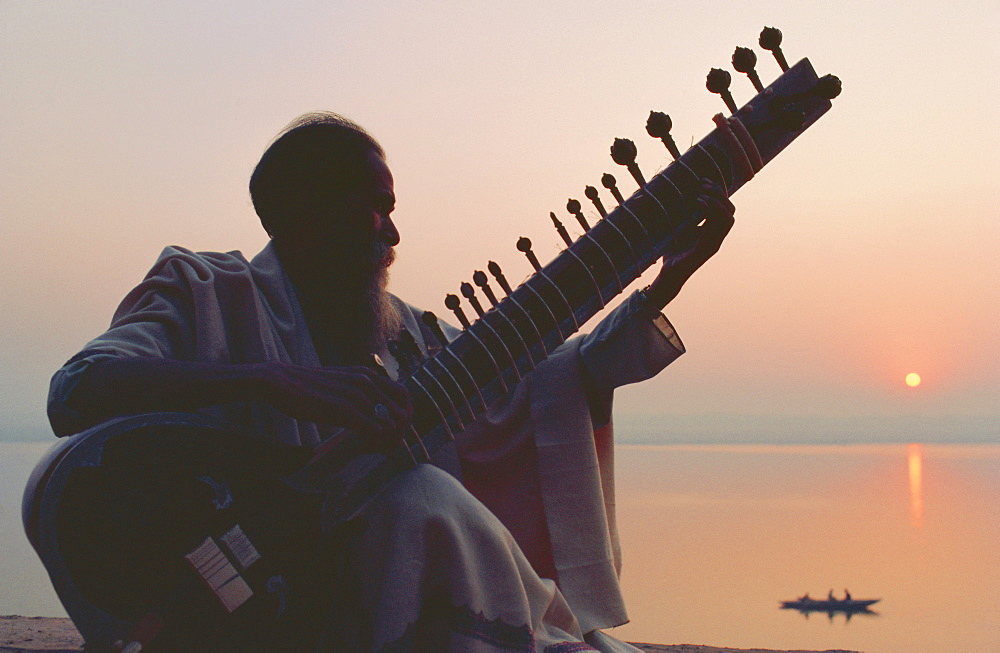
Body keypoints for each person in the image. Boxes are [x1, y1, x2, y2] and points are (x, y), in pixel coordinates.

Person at [48, 112, 735, 652]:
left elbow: (553, 381)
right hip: (244, 612)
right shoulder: (203, 289)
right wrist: (269, 382)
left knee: (415, 497)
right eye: (377, 206)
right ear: (302, 211)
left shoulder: (405, 337)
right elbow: (77, 389)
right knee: (420, 495)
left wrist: (663, 279)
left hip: (340, 617)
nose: (395, 231)